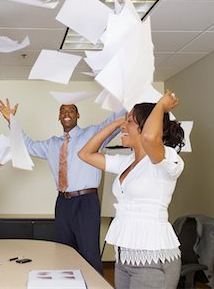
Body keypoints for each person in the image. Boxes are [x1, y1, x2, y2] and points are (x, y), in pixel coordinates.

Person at [0, 99, 125, 274]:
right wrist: (11, 120)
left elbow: (114, 122)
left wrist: (129, 95)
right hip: (63, 202)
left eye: (71, 111)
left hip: (86, 202)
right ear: (59, 117)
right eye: (63, 111)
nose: (66, 114)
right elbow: (27, 145)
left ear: (78, 115)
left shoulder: (92, 134)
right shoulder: (52, 144)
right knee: (64, 252)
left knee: (89, 252)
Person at [78, 90, 185, 289]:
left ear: (145, 127)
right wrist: (117, 123)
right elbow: (85, 154)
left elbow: (150, 137)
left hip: (153, 258)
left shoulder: (167, 158)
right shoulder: (126, 162)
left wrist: (160, 106)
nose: (123, 127)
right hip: (125, 256)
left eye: (130, 122)